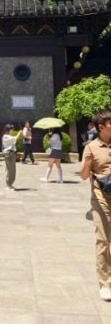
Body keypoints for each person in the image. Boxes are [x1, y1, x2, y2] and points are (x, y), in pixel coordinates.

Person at [80, 110, 111, 301]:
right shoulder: (91, 147)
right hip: (101, 197)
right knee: (103, 239)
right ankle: (105, 283)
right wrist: (87, 163)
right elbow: (83, 175)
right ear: (101, 127)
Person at [2, 124, 22, 190]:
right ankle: (8, 184)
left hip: (12, 154)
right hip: (9, 154)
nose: (12, 131)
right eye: (11, 129)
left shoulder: (9, 136)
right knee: (9, 169)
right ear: (8, 129)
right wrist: (19, 133)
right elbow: (15, 138)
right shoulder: (5, 136)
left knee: (13, 169)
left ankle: (10, 184)